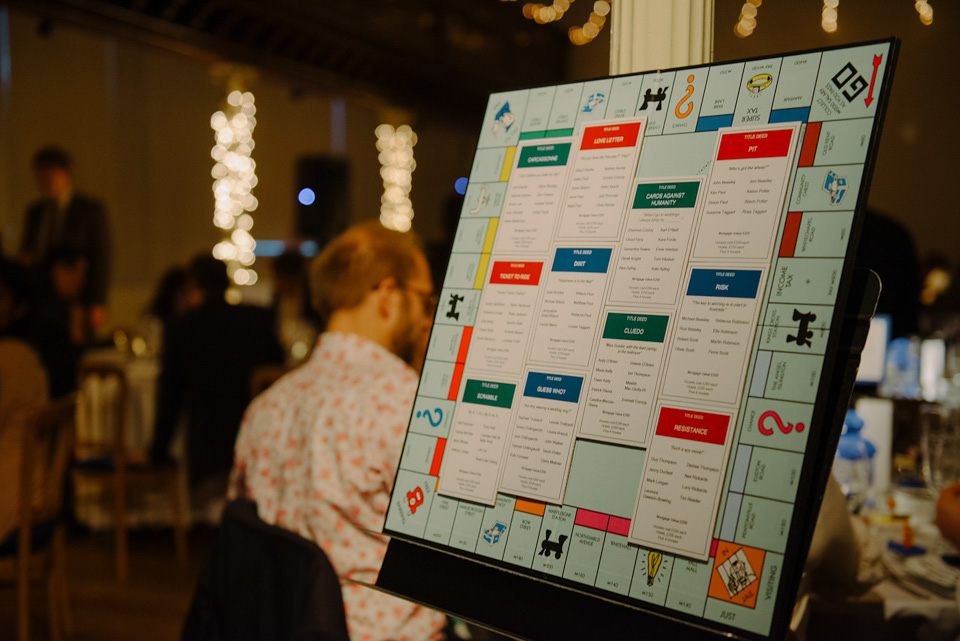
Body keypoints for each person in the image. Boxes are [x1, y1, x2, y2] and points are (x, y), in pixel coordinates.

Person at [229, 222, 447, 641]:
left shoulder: (265, 406)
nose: (427, 318)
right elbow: (457, 549)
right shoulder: (407, 404)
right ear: (387, 296)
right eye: (424, 301)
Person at [149, 253, 283, 512]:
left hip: (207, 442)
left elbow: (170, 397)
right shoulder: (259, 319)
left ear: (193, 287)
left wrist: (157, 452)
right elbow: (278, 377)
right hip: (261, 435)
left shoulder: (182, 327)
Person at [19, 146, 112, 341]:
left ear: (67, 172)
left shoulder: (89, 210)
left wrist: (97, 302)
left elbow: (101, 257)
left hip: (76, 298)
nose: (46, 179)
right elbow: (27, 253)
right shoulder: (35, 212)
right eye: (41, 174)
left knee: (75, 347)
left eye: (51, 172)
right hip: (41, 298)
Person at [0, 258, 50, 543]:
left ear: (20, 307)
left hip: (10, 500)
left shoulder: (8, 358)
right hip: (30, 489)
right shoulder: (28, 355)